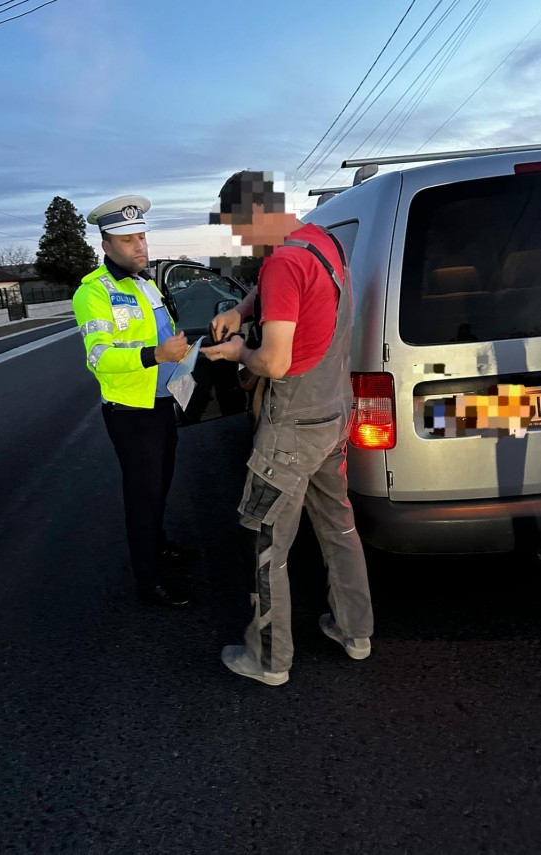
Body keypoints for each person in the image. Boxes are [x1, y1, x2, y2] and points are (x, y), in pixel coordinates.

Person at [202, 170, 374, 685]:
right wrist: (242, 306)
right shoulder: (322, 241)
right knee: (338, 526)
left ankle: (268, 659)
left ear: (254, 214)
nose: (240, 240)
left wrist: (238, 351)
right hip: (334, 413)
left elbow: (273, 363)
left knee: (266, 538)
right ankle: (354, 630)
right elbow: (288, 286)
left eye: (239, 227)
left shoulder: (282, 262)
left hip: (292, 427)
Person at [72, 194, 198, 608]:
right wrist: (156, 356)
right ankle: (149, 582)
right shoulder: (94, 293)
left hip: (162, 401)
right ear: (106, 245)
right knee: (141, 494)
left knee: (160, 484)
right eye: (128, 241)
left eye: (142, 237)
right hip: (131, 411)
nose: (140, 247)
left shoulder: (147, 284)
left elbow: (164, 336)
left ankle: (158, 545)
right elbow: (99, 357)